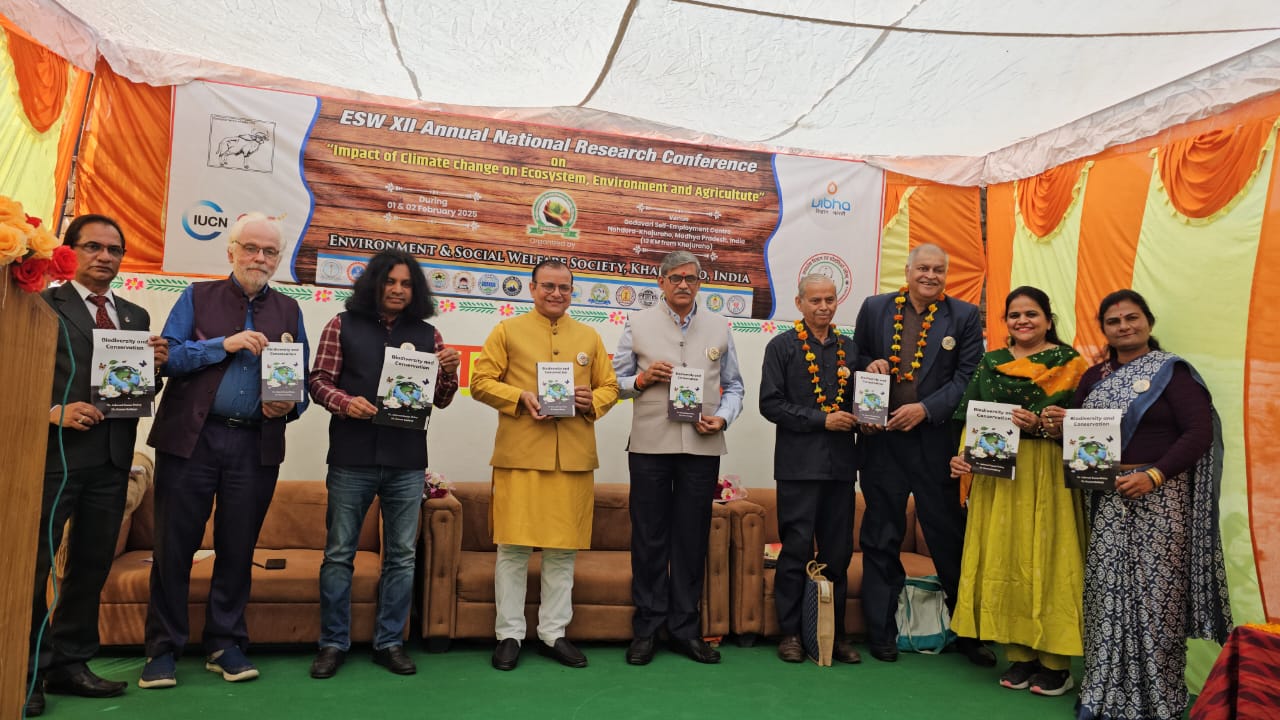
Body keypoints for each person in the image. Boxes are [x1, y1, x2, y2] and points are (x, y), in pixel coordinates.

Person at [140, 212, 309, 688]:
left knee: (238, 548)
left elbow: (299, 383)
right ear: (230, 251)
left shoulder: (289, 310)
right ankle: (162, 649)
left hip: (255, 444)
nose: (259, 258)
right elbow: (168, 358)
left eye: (269, 251)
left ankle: (225, 643)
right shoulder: (196, 296)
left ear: (278, 258)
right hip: (191, 440)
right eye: (250, 248)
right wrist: (223, 344)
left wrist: (288, 407)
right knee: (174, 547)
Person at [1046, 289, 1231, 720]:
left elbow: (1198, 434)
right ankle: (1103, 694)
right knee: (1106, 594)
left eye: (1132, 318)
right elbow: (1083, 439)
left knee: (1155, 599)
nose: (1124, 326)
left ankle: (1157, 701)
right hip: (1107, 499)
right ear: (1103, 329)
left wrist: (1154, 475)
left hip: (1161, 499)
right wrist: (1059, 429)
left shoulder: (1172, 373)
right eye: (1114, 321)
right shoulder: (1093, 377)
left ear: (1148, 322)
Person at [25, 216, 167, 717]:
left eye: (114, 249)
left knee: (90, 567)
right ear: (69, 252)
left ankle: (70, 663)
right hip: (53, 457)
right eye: (93, 246)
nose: (105, 256)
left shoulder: (134, 315)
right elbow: (12, 372)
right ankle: (26, 671)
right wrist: (50, 411)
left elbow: (134, 388)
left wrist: (156, 367)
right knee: (35, 568)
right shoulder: (40, 306)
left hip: (112, 461)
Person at [307, 250, 460, 679]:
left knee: (402, 558)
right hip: (351, 457)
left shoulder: (430, 335)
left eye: (406, 284)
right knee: (339, 554)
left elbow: (441, 399)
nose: (397, 290)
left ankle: (389, 643)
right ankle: (332, 643)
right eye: (390, 281)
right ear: (374, 283)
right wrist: (344, 402)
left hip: (407, 462)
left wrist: (451, 371)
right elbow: (317, 381)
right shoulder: (341, 324)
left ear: (416, 291)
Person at [470, 259, 618, 671]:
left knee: (562, 551)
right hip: (520, 456)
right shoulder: (507, 331)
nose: (556, 294)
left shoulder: (589, 336)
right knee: (513, 548)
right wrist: (519, 397)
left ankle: (554, 633)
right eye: (548, 286)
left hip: (572, 458)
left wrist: (593, 400)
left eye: (564, 288)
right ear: (532, 288)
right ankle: (509, 634)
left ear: (572, 292)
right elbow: (480, 382)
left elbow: (609, 386)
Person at [851, 243, 991, 665]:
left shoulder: (963, 315)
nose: (930, 275)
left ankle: (969, 633)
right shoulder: (875, 308)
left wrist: (926, 409)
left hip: (935, 444)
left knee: (947, 535)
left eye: (938, 269)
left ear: (946, 275)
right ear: (908, 271)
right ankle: (881, 631)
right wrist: (869, 365)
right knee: (881, 535)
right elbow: (856, 357)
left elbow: (968, 376)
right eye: (923, 268)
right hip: (883, 441)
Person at [947, 286, 1089, 695]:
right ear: (1005, 321)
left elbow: (1091, 427)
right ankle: (1020, 656)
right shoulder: (991, 363)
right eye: (1014, 315)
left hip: (1050, 473)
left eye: (1031, 314)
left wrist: (1047, 425)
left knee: (1051, 557)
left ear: (1048, 319)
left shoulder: (1071, 364)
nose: (1023, 321)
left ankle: (1056, 663)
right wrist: (963, 458)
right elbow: (973, 420)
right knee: (1004, 559)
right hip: (998, 476)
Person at [612, 250, 744, 665]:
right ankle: (647, 629)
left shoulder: (719, 326)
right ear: (661, 282)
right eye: (675, 278)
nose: (683, 284)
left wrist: (723, 418)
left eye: (691, 278)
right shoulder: (637, 323)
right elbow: (612, 382)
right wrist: (641, 379)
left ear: (700, 283)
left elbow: (735, 387)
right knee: (649, 538)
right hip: (650, 445)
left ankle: (686, 630)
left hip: (702, 447)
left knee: (691, 539)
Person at [759, 275, 861, 664]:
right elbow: (770, 404)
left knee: (838, 554)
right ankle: (790, 633)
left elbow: (863, 402)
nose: (823, 307)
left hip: (840, 468)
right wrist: (822, 420)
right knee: (795, 551)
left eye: (829, 300)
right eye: (815, 300)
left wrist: (868, 417)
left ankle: (834, 634)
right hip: (798, 467)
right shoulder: (782, 346)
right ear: (799, 303)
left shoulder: (851, 349)